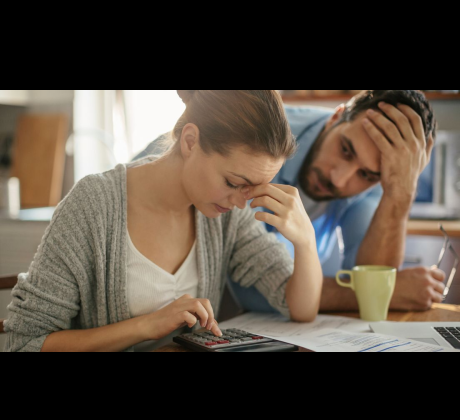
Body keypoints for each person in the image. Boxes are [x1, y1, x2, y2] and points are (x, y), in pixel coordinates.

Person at [4, 90, 323, 352]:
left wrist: (305, 241)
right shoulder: (93, 206)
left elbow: (300, 308)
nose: (242, 201)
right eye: (233, 182)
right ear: (190, 141)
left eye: (253, 188)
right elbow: (26, 342)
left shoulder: (223, 216)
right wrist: (146, 325)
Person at [137, 90, 446, 314]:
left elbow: (371, 288)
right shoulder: (261, 146)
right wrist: (384, 294)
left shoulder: (381, 176)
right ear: (336, 117)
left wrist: (400, 194)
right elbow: (258, 292)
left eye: (366, 175)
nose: (340, 179)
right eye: (345, 150)